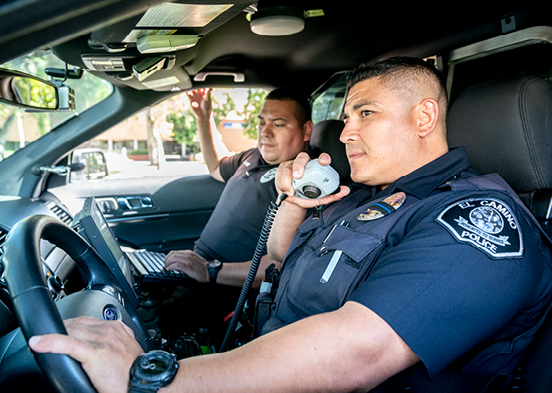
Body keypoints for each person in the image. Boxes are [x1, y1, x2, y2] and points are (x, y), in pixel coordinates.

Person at [29, 57, 552, 392]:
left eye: (364, 114)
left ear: (423, 118)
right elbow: (275, 267)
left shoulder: (480, 223)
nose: (345, 133)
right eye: (345, 118)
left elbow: (359, 355)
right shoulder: (360, 199)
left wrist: (160, 379)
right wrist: (294, 205)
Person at [159, 87, 318, 338]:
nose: (265, 132)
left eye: (278, 124)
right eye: (262, 122)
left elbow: (280, 264)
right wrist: (203, 117)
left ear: (307, 130)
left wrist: (209, 270)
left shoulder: (308, 182)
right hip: (194, 272)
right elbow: (215, 165)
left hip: (222, 290)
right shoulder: (252, 157)